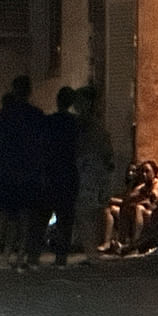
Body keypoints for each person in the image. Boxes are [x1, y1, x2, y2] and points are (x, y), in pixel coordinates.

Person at [0, 75, 46, 270]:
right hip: (29, 172)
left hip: (8, 171)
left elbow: (0, 144)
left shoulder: (5, 115)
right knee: (25, 217)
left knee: (4, 215)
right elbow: (41, 145)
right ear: (29, 91)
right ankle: (20, 256)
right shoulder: (36, 115)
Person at [27, 86, 79, 268]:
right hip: (67, 173)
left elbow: (39, 146)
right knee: (65, 219)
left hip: (49, 174)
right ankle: (61, 258)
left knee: (41, 218)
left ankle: (33, 257)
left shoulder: (48, 122)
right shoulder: (75, 124)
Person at [73, 85, 114, 263]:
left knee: (85, 213)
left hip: (87, 172)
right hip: (95, 172)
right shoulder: (97, 126)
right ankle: (92, 253)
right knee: (91, 213)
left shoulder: (84, 125)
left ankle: (92, 254)